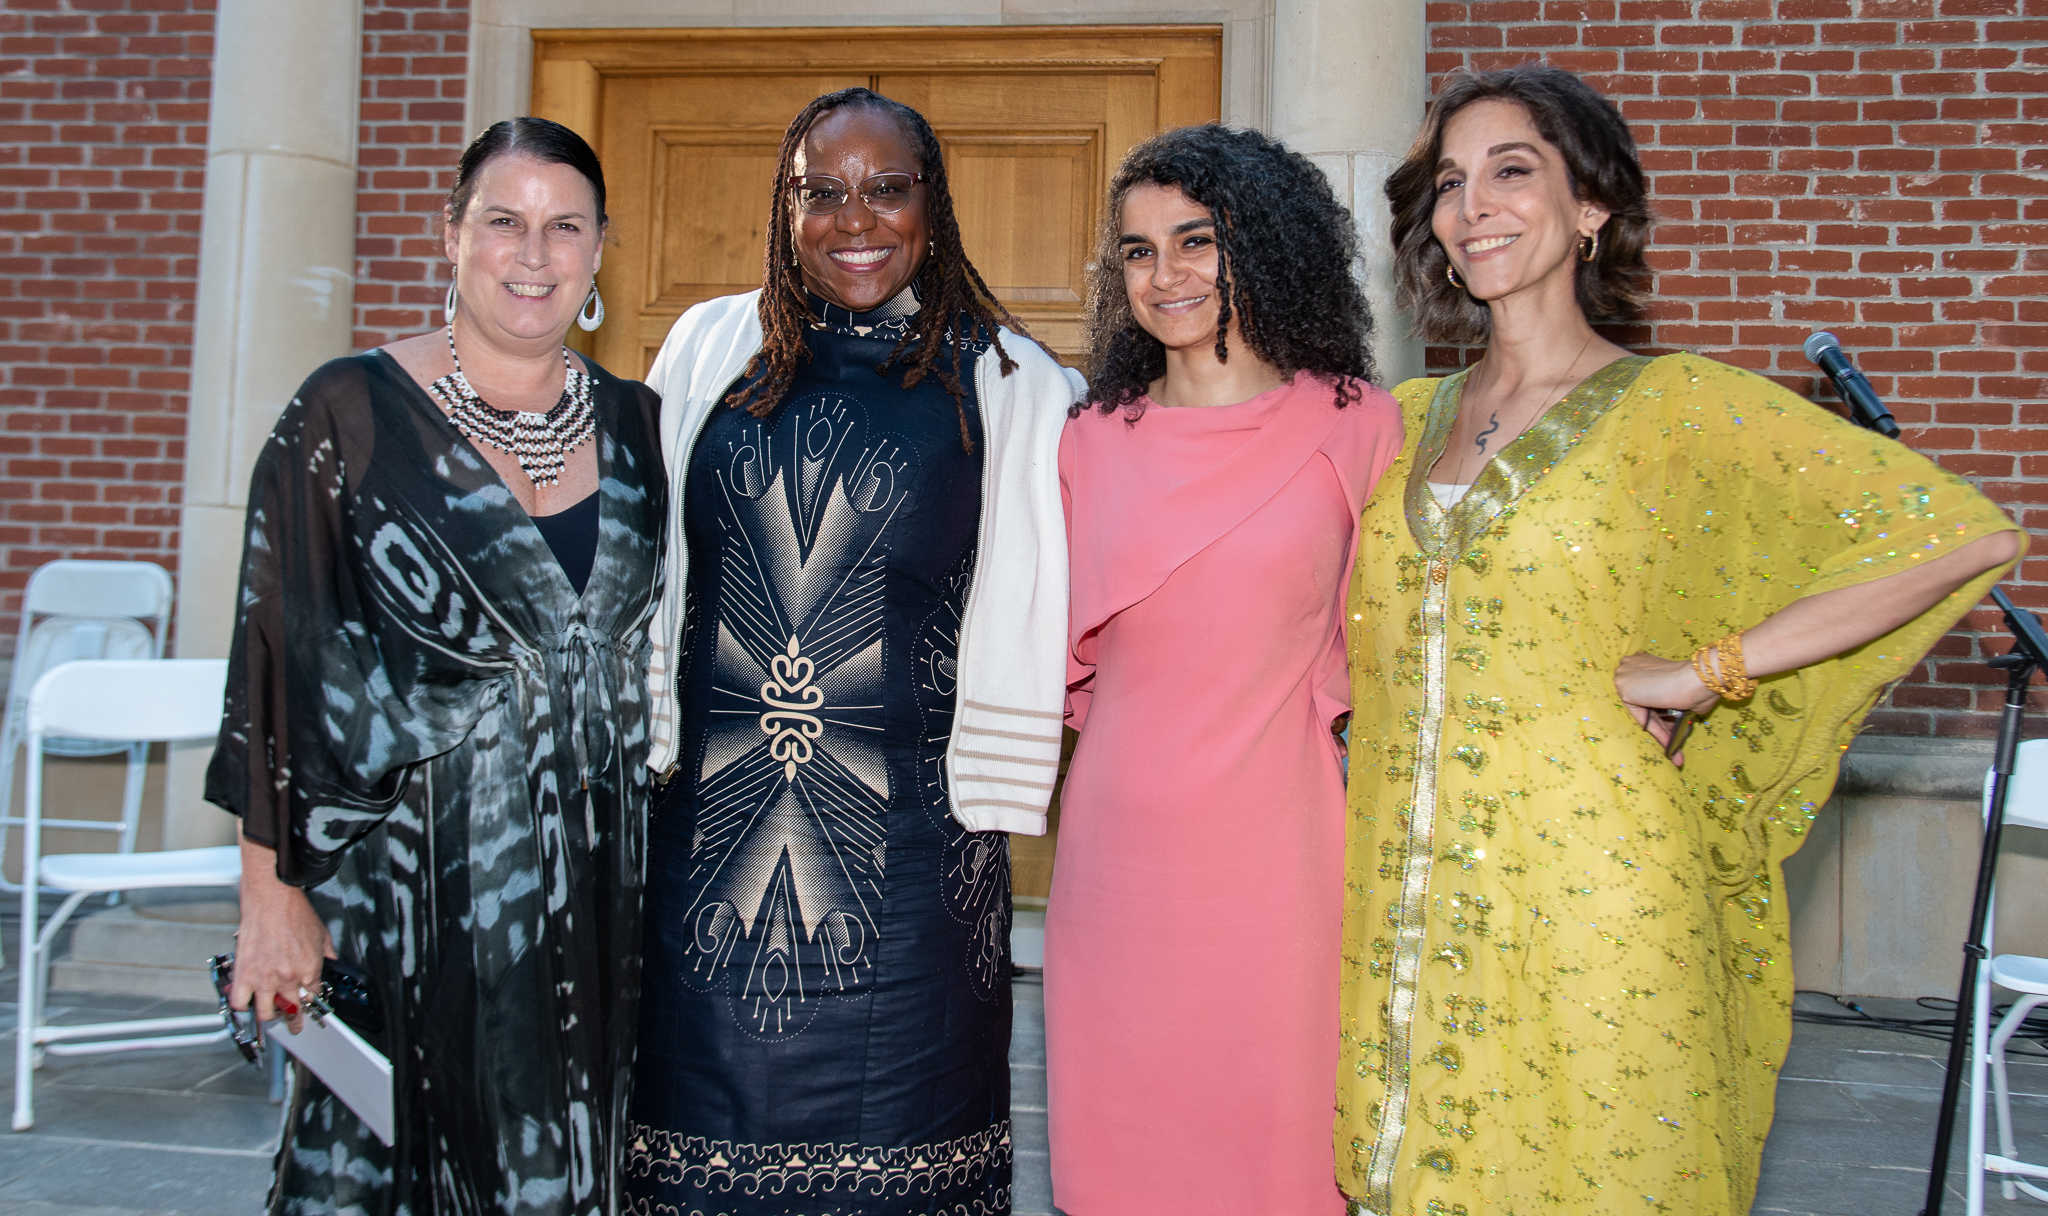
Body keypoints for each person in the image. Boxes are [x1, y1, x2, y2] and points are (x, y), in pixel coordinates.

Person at [1335, 64, 2023, 1216]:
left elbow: (1956, 536)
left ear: (1588, 207)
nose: (1474, 205)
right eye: (1450, 182)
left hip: (1596, 895)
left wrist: (1709, 672)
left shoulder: (1679, 407)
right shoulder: (1399, 423)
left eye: (1514, 170)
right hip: (1403, 896)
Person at [626, 87, 1080, 1216]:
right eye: (819, 192)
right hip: (703, 857)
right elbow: (634, 556)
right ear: (783, 209)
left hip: (919, 863)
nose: (853, 218)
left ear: (933, 203)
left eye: (886, 188)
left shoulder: (1011, 384)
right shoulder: (705, 350)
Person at [210, 117, 663, 1214]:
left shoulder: (642, 422)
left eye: (565, 227)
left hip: (598, 892)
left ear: (599, 250)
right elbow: (276, 661)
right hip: (401, 884)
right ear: (449, 235)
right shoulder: (347, 414)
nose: (533, 253)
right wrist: (270, 901)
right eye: (502, 221)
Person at [1045, 125, 1404, 1216]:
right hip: (1114, 857)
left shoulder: (1359, 426)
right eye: (1139, 252)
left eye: (1194, 241)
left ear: (1264, 244)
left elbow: (1404, 640)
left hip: (1277, 859)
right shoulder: (1087, 440)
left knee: (1273, 1154)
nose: (1165, 275)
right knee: (1123, 1157)